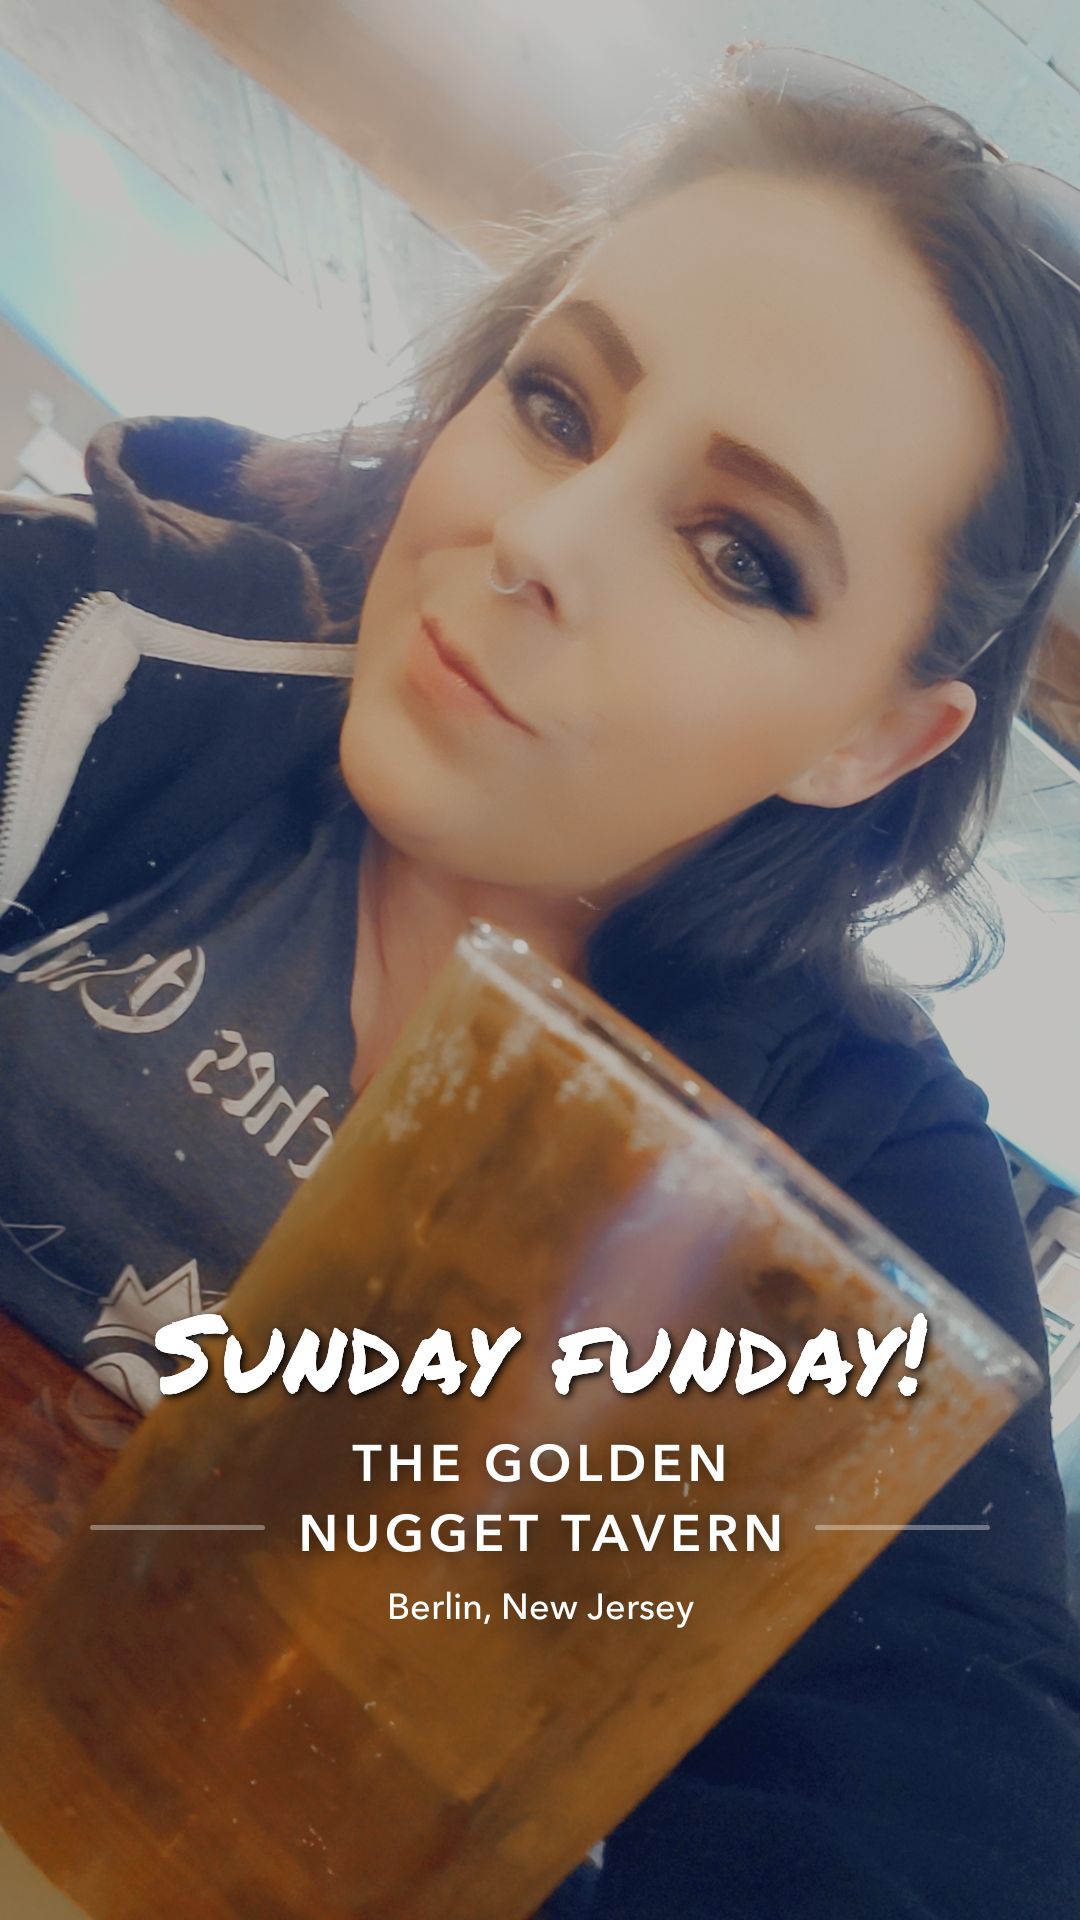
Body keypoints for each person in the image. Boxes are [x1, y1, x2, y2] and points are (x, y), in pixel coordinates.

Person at [2, 47, 1080, 1919]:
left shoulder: (860, 1191)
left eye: (743, 557)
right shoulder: (83, 644)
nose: (539, 541)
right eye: (561, 407)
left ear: (870, 739)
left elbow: (950, 1803)